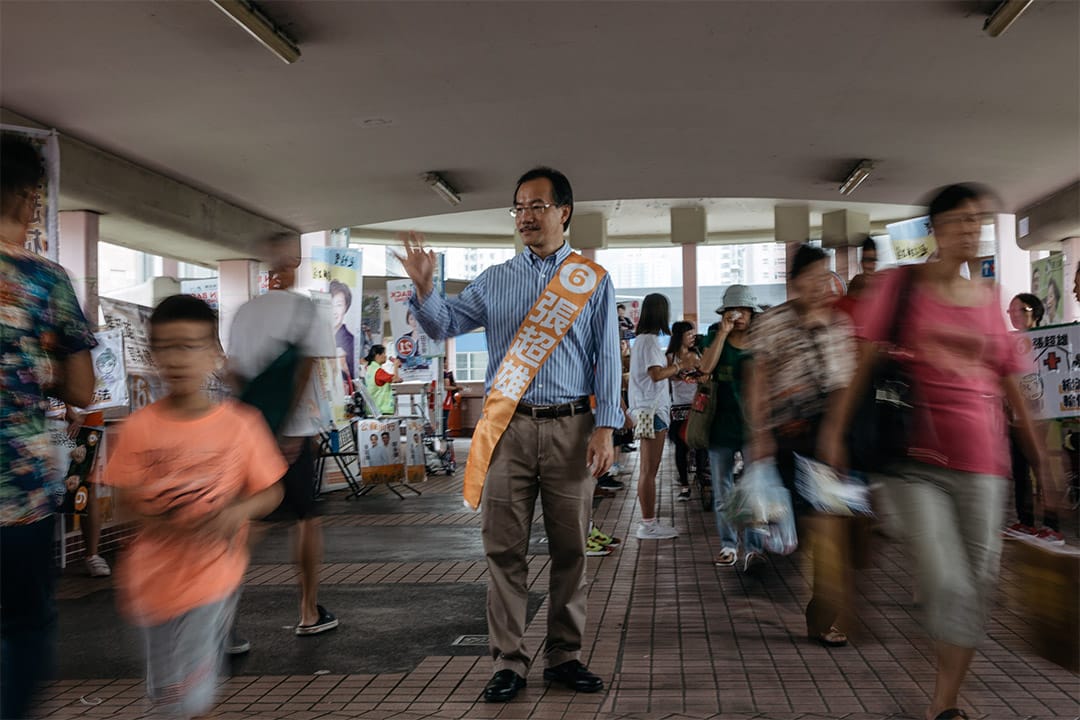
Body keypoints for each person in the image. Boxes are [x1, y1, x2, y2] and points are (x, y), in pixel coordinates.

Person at [820, 183, 1049, 720]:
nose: (971, 230)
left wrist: (1042, 459)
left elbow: (1012, 382)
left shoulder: (989, 301)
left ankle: (944, 703)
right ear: (936, 230)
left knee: (977, 585)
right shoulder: (900, 287)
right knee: (947, 580)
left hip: (983, 464)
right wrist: (836, 427)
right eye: (960, 221)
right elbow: (866, 361)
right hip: (913, 461)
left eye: (979, 222)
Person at [399, 166, 620, 703]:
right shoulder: (496, 279)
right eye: (519, 207)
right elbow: (443, 324)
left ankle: (564, 656)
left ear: (564, 212)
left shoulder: (590, 279)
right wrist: (425, 290)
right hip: (507, 430)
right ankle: (509, 662)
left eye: (538, 206)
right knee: (504, 550)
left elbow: (607, 357)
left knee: (571, 551)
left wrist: (607, 426)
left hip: (571, 428)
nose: (526, 215)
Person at [104, 295, 286, 719]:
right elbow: (123, 501)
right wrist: (159, 519)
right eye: (165, 347)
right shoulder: (137, 429)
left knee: (189, 695)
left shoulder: (241, 425)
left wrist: (237, 513)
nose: (176, 358)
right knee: (167, 695)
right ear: (152, 356)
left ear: (215, 356)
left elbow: (271, 491)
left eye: (189, 346)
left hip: (212, 579)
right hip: (151, 584)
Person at [0, 133, 98, 720]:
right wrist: (35, 369)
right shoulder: (43, 279)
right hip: (18, 496)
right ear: (28, 197)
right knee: (24, 624)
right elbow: (83, 390)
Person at [229, 232, 339, 639]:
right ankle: (309, 611)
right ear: (292, 264)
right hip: (293, 436)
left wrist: (258, 427)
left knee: (248, 524)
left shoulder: (243, 313)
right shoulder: (307, 311)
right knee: (306, 521)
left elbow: (234, 373)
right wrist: (285, 429)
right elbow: (308, 368)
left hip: (249, 435)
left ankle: (224, 623)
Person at [746, 243, 856, 648]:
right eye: (811, 278)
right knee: (786, 523)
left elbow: (844, 386)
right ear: (794, 282)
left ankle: (822, 615)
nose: (821, 286)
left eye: (825, 277)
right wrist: (759, 434)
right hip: (781, 439)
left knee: (829, 524)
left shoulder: (839, 326)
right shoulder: (773, 323)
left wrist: (834, 435)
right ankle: (772, 561)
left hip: (822, 439)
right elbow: (758, 378)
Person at [698, 285, 763, 569]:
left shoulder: (761, 342)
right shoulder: (714, 338)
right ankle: (728, 545)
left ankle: (753, 547)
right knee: (723, 491)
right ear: (725, 313)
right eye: (733, 311)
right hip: (719, 426)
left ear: (752, 313)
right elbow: (704, 370)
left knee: (753, 490)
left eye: (744, 310)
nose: (739, 316)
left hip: (754, 428)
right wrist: (722, 334)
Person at [1004, 294, 1061, 542]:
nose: (1016, 315)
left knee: (1043, 468)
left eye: (1022, 309)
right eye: (1011, 311)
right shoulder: (1008, 342)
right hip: (1015, 416)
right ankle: (1025, 522)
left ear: (1035, 312)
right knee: (1020, 469)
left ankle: (1052, 526)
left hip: (1044, 415)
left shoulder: (1051, 339)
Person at [629, 293, 683, 540]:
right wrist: (679, 367)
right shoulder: (650, 341)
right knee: (649, 470)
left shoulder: (640, 340)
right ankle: (648, 524)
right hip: (651, 410)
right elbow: (656, 375)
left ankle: (648, 522)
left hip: (643, 409)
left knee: (647, 470)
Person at [666, 321, 705, 502]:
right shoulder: (670, 357)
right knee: (681, 446)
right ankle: (684, 485)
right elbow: (669, 376)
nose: (692, 337)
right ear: (679, 336)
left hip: (697, 405)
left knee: (700, 443)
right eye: (689, 334)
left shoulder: (697, 353)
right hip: (679, 406)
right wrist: (682, 369)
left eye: (693, 334)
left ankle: (703, 478)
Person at [329, 279, 356, 382]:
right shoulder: (316, 338)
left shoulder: (351, 342)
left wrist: (343, 365)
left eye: (339, 305)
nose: (334, 311)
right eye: (329, 304)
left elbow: (353, 379)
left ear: (346, 307)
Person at [365, 345, 402, 415]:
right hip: (382, 409)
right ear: (377, 355)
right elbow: (395, 379)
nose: (386, 356)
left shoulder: (370, 369)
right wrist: (395, 366)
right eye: (384, 353)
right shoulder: (378, 371)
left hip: (373, 409)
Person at [442, 360, 461, 439]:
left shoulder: (444, 374)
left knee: (444, 419)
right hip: (445, 399)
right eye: (445, 362)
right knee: (444, 419)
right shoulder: (444, 374)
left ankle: (443, 435)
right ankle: (443, 435)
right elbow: (446, 387)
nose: (446, 364)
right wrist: (457, 387)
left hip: (445, 399)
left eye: (447, 362)